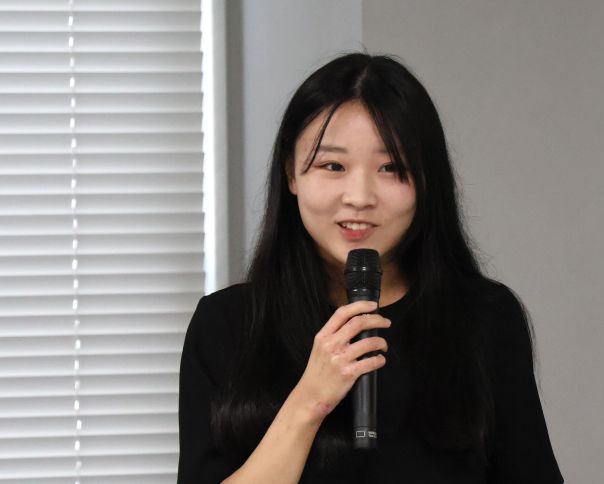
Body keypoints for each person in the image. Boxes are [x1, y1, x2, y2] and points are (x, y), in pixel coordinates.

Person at [176, 52, 563, 484]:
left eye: (391, 168)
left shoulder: (484, 319)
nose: (359, 196)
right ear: (291, 174)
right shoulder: (227, 324)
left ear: (426, 181)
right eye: (333, 166)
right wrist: (309, 401)